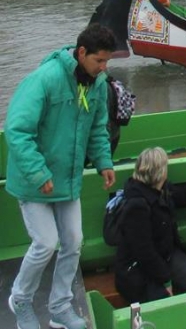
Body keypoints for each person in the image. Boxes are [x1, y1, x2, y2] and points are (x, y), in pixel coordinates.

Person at [6, 24, 117, 329]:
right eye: (99, 60)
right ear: (81, 53)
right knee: (45, 243)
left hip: (67, 181)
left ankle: (59, 306)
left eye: (107, 61)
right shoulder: (45, 79)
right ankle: (20, 299)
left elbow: (97, 129)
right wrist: (38, 172)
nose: (104, 68)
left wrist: (104, 162)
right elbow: (17, 130)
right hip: (34, 182)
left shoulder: (97, 84)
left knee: (74, 242)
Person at [114, 149, 186, 304]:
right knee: (159, 299)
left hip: (166, 253)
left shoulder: (162, 189)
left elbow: (182, 197)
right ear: (159, 173)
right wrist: (165, 280)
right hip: (138, 266)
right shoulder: (136, 206)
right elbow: (144, 251)